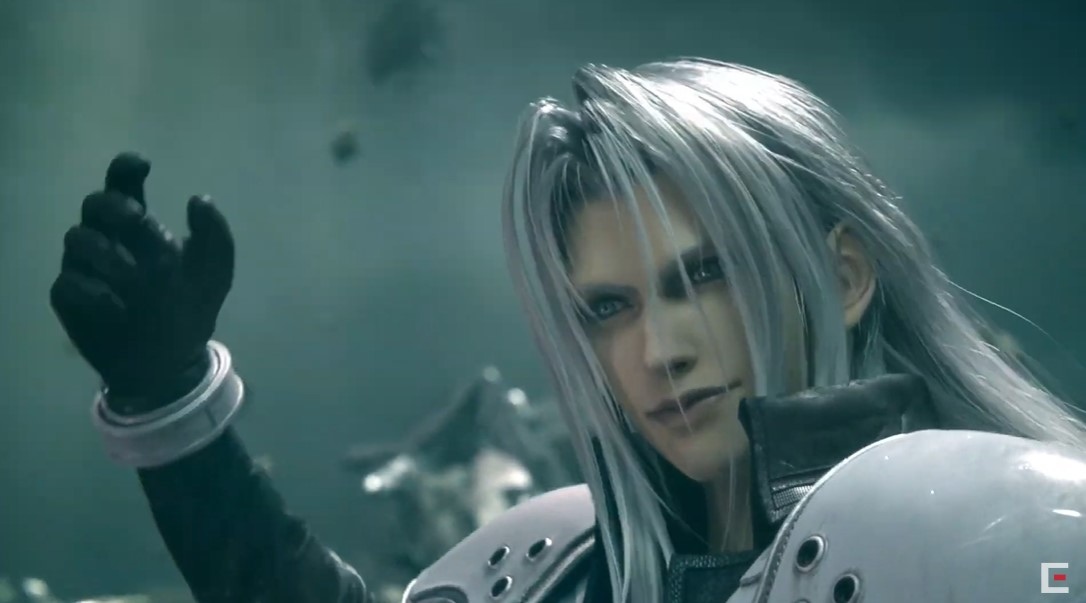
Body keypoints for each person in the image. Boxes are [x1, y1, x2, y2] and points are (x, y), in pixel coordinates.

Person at [49, 59, 1086, 603]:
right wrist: (172, 406)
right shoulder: (555, 566)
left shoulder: (1014, 537)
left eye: (704, 277)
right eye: (609, 307)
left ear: (845, 276)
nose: (659, 349)